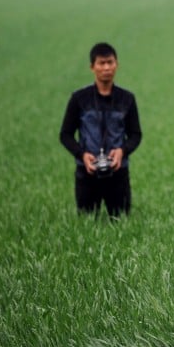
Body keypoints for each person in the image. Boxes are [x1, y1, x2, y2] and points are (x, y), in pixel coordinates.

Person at [59, 42, 142, 218]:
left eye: (110, 62)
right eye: (101, 63)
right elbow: (65, 134)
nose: (106, 68)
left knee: (121, 225)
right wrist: (82, 155)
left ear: (117, 64)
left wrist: (123, 151)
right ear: (92, 67)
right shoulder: (79, 99)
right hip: (87, 173)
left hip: (118, 172)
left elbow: (136, 134)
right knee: (87, 225)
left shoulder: (126, 99)